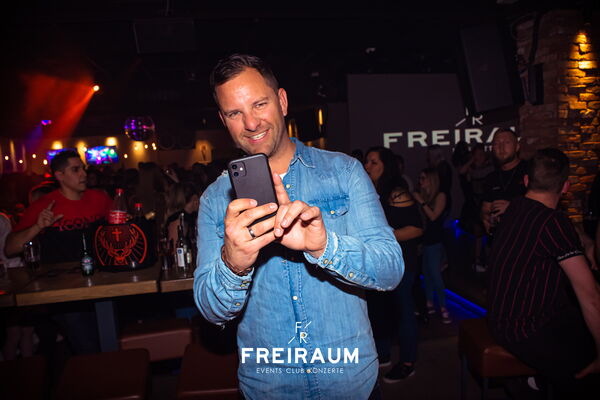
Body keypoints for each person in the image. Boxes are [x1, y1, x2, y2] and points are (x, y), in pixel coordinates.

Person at [193, 54, 404, 399]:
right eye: (234, 113)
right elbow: (211, 311)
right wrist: (233, 264)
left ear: (282, 101)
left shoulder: (344, 172)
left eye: (259, 104)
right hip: (269, 387)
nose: (251, 123)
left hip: (349, 383)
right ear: (223, 120)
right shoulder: (215, 200)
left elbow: (391, 269)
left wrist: (324, 247)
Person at [487, 148, 600, 398]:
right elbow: (590, 293)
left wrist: (587, 242)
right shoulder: (553, 224)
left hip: (500, 318)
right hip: (525, 329)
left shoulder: (515, 207)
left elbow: (562, 229)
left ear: (526, 180)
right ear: (566, 187)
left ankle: (535, 381)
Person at [5, 150, 112, 355]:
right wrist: (37, 227)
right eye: (76, 169)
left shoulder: (99, 198)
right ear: (59, 175)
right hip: (65, 293)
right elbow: (10, 248)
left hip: (102, 283)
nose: (84, 174)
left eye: (83, 168)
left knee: (109, 341)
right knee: (89, 348)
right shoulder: (45, 205)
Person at [364, 146, 423, 382]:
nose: (367, 166)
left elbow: (416, 228)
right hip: (379, 263)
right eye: (367, 161)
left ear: (385, 166)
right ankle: (383, 353)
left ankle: (408, 362)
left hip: (402, 264)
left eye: (373, 162)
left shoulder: (397, 194)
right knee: (379, 310)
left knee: (403, 311)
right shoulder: (370, 193)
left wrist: (383, 237)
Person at [412, 168, 451, 324]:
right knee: (426, 273)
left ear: (431, 180)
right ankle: (429, 302)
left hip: (436, 240)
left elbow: (433, 217)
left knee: (435, 273)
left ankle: (443, 306)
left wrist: (421, 201)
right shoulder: (426, 196)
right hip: (425, 240)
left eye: (423, 178)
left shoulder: (440, 195)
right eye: (420, 178)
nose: (420, 181)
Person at [481, 129, 527, 237]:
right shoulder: (491, 178)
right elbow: (485, 208)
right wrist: (485, 218)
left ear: (517, 147)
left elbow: (543, 205)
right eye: (497, 144)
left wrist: (513, 207)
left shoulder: (530, 171)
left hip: (525, 235)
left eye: (507, 142)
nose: (501, 148)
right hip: (501, 238)